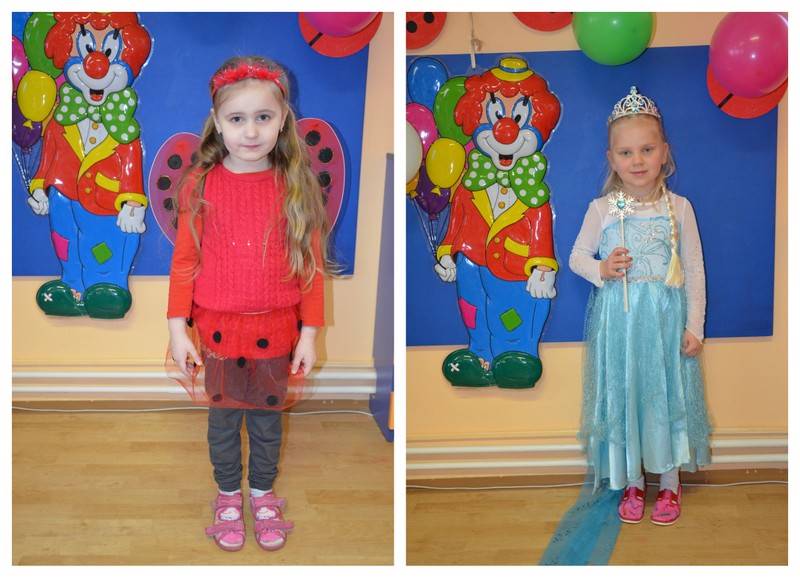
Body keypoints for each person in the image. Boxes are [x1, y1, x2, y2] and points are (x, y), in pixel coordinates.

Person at [167, 56, 329, 551]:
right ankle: (227, 496)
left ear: (283, 121)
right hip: (218, 331)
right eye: (237, 118)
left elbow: (311, 268)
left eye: (264, 117)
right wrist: (177, 329)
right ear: (218, 122)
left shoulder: (295, 186)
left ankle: (261, 493)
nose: (251, 131)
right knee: (223, 422)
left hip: (276, 332)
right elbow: (184, 262)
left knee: (265, 420)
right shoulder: (200, 184)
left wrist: (309, 334)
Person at [569, 87, 711, 526]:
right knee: (627, 398)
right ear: (611, 159)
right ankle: (632, 480)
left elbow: (694, 268)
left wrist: (695, 325)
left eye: (647, 150)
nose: (637, 160)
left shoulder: (679, 208)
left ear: (664, 152)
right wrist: (602, 268)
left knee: (664, 399)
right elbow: (576, 258)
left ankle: (669, 482)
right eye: (626, 152)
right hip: (621, 325)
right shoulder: (603, 209)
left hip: (665, 324)